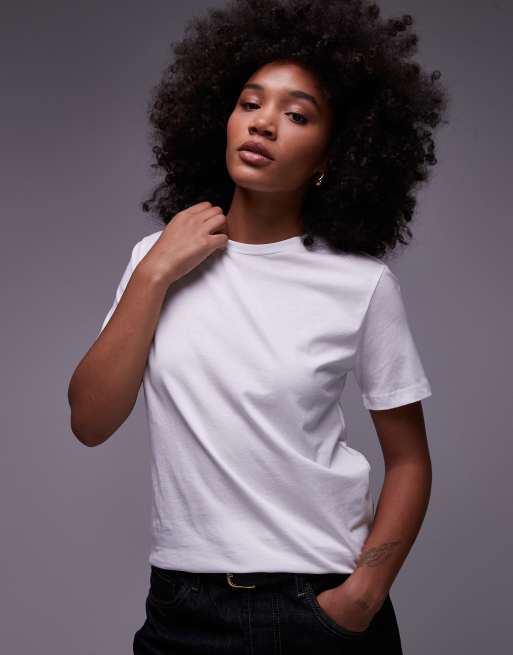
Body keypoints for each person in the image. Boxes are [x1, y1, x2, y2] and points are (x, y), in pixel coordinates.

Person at [67, 0, 449, 653]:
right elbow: (90, 421)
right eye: (250, 103)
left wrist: (361, 596)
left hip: (316, 604)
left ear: (331, 156)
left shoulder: (360, 285)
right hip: (180, 607)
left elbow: (410, 460)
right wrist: (154, 273)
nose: (263, 122)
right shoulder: (154, 259)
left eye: (296, 115)